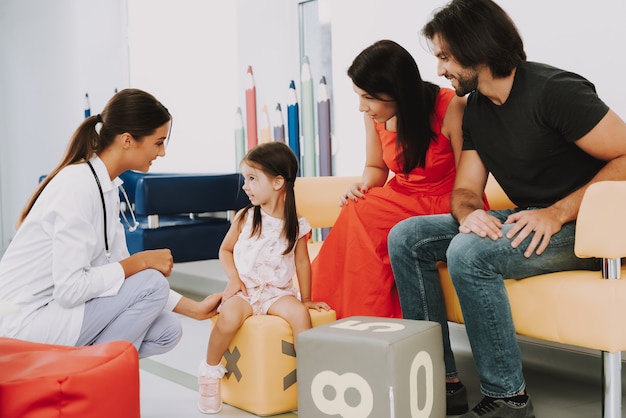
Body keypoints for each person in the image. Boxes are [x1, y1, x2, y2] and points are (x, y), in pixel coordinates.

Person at [387, 0, 626, 417]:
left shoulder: (556, 91)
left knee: (469, 254)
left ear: (476, 48)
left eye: (445, 56)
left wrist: (557, 213)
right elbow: (465, 187)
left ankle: (508, 398)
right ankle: (442, 382)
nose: (440, 70)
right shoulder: (477, 108)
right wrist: (468, 214)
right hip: (532, 220)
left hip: (591, 228)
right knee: (408, 237)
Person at [0, 88, 222, 359]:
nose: (162, 152)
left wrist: (195, 309)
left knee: (167, 329)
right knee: (152, 282)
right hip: (23, 322)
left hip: (55, 312)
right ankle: (91, 377)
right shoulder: (77, 186)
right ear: (128, 140)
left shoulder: (106, 186)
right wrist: (141, 262)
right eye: (158, 142)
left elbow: (121, 268)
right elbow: (71, 289)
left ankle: (86, 368)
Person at [311, 39, 467, 319]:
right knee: (356, 207)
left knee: (365, 217)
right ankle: (334, 316)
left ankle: (371, 320)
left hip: (446, 201)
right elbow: (376, 166)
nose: (362, 106)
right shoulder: (375, 116)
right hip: (402, 196)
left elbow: (468, 176)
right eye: (359, 96)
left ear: (398, 92)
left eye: (368, 97)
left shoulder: (450, 105)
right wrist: (363, 186)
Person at [197, 142, 330, 414]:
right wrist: (233, 279)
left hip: (277, 292)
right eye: (245, 179)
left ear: (278, 182)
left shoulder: (297, 224)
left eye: (252, 179)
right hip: (246, 289)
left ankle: (309, 380)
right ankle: (209, 372)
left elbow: (303, 261)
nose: (245, 186)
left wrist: (306, 299)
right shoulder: (245, 217)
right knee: (229, 317)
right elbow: (225, 249)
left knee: (300, 317)